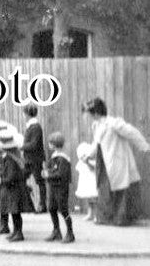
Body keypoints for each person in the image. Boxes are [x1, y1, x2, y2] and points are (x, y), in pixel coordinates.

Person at [84, 97, 150, 226]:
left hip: (116, 160)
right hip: (103, 162)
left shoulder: (114, 123)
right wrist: (88, 156)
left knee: (120, 188)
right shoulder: (96, 125)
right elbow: (96, 144)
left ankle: (121, 218)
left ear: (96, 112)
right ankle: (106, 217)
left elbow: (133, 133)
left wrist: (145, 147)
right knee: (104, 188)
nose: (90, 115)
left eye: (91, 113)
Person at [0, 127, 30, 242]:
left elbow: (12, 176)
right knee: (13, 212)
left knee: (15, 212)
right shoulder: (10, 157)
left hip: (14, 190)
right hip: (11, 189)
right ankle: (16, 232)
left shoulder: (10, 160)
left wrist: (1, 180)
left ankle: (18, 233)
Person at [43, 132, 75, 243]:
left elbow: (61, 174)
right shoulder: (54, 157)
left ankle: (70, 233)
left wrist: (49, 175)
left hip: (61, 188)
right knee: (51, 208)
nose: (48, 145)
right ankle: (56, 231)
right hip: (53, 187)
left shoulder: (62, 159)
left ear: (54, 144)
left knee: (63, 210)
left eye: (50, 143)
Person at [22, 103, 47, 213]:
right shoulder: (31, 127)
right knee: (21, 179)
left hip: (35, 159)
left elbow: (34, 144)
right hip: (29, 159)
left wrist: (21, 146)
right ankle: (28, 204)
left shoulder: (36, 127)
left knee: (40, 182)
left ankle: (42, 205)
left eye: (24, 114)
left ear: (27, 114)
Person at [75, 141, 99, 222]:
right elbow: (79, 169)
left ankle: (96, 214)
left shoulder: (91, 162)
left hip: (92, 182)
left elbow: (93, 168)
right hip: (86, 182)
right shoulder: (81, 163)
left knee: (95, 199)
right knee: (89, 199)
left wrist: (88, 162)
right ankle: (90, 213)